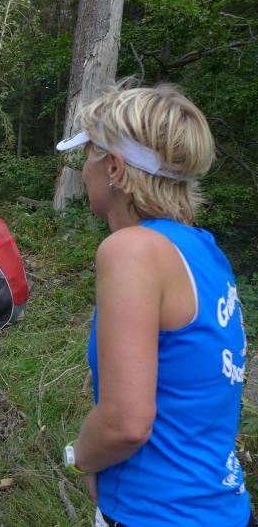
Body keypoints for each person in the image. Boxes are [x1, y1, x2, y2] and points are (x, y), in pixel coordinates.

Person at [56, 85, 252, 526]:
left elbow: (126, 423)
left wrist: (80, 457)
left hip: (157, 512)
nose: (83, 171)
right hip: (223, 506)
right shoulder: (203, 250)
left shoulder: (132, 250)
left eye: (87, 156)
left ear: (114, 166)